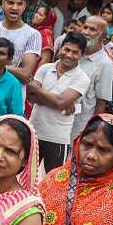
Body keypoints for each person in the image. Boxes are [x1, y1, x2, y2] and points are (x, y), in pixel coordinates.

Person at [28, 32, 92, 171]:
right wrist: (58, 101)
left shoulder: (82, 78)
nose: (69, 55)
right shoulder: (45, 69)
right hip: (34, 132)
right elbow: (31, 97)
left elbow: (60, 101)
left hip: (57, 137)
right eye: (67, 49)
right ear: (60, 49)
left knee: (54, 182)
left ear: (81, 55)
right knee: (27, 178)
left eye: (75, 52)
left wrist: (38, 90)